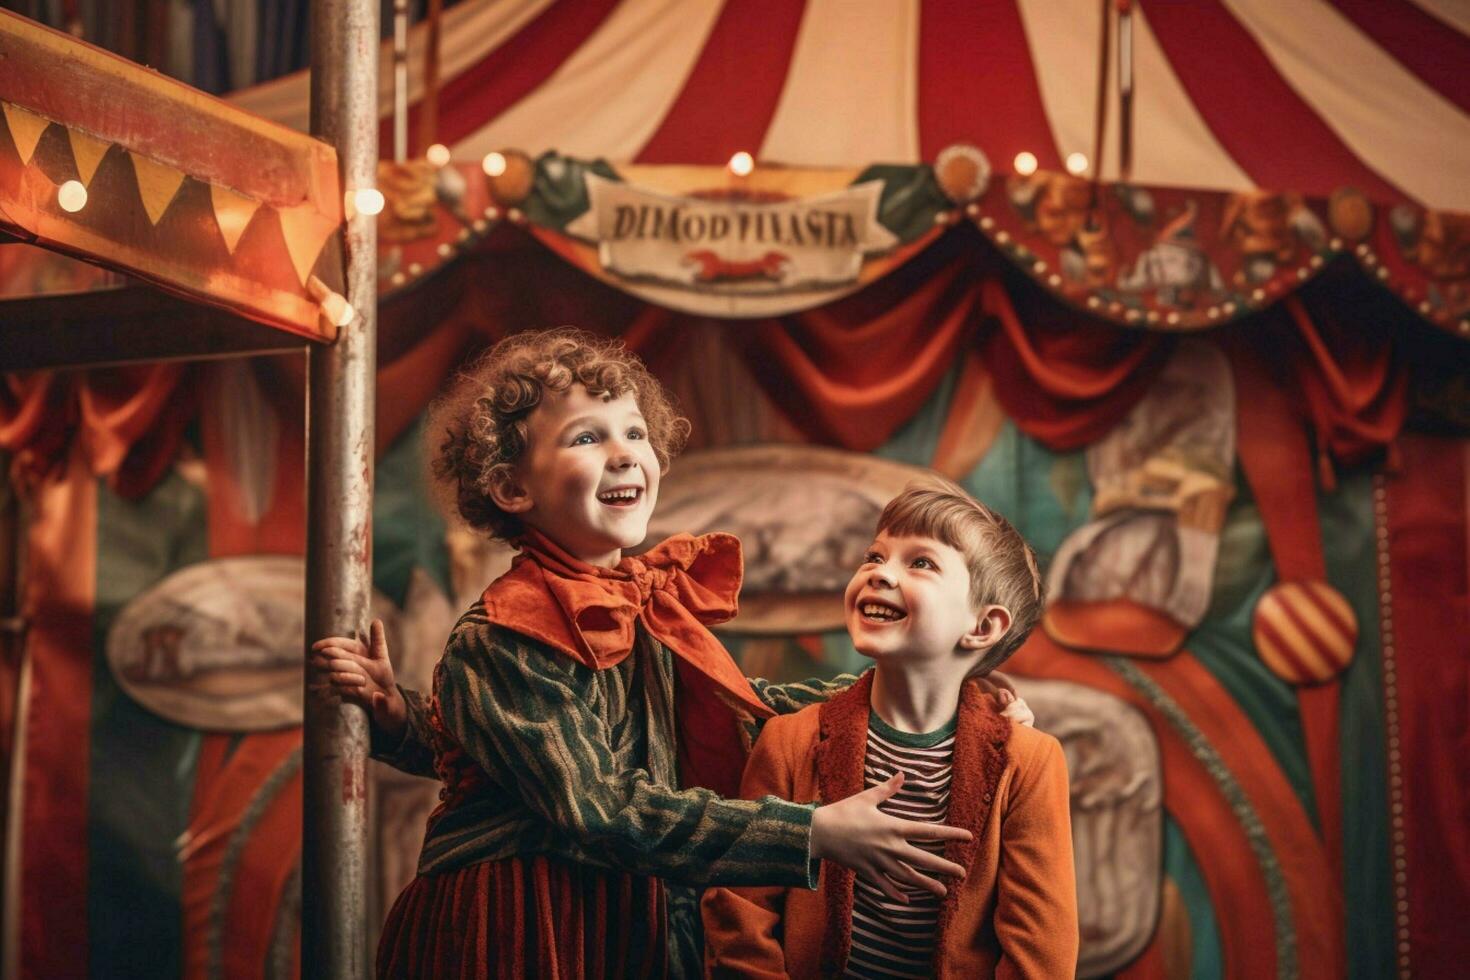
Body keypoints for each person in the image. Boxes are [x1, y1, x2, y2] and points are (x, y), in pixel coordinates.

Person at [310, 330, 1028, 978]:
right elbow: (595, 805)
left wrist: (943, 689)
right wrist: (809, 832)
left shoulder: (642, 606)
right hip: (523, 923)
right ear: (510, 486)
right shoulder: (505, 632)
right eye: (587, 438)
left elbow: (742, 706)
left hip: (630, 915)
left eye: (634, 431)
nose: (625, 451)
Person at [702, 476, 1079, 978]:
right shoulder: (789, 741)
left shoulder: (1030, 761)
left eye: (920, 562)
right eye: (874, 556)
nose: (879, 574)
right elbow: (740, 915)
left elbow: (1042, 955)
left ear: (983, 627)